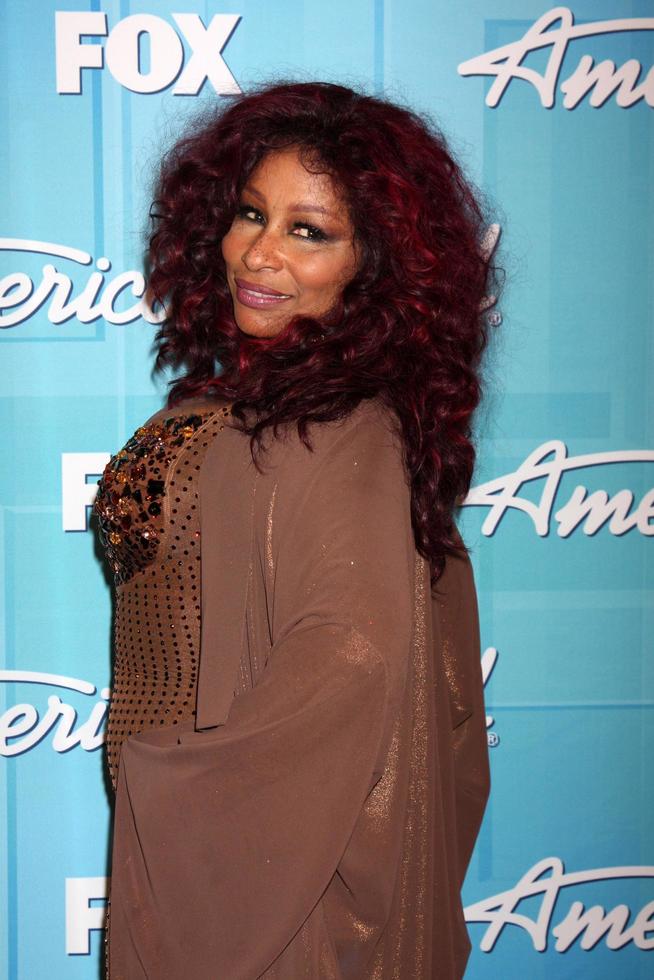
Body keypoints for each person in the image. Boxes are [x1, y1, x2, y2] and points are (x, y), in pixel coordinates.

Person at [94, 80, 501, 979]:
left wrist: (178, 785)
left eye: (307, 230)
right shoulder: (261, 401)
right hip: (222, 864)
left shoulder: (343, 426)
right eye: (250, 213)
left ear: (374, 263)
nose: (260, 253)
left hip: (276, 897)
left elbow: (352, 656)